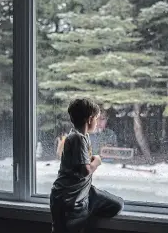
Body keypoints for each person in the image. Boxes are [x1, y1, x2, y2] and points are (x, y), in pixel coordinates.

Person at [50, 98, 124, 233]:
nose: (97, 122)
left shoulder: (83, 137)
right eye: (97, 118)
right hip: (68, 197)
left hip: (84, 191)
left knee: (116, 204)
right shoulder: (76, 138)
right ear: (90, 119)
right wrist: (97, 161)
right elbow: (85, 171)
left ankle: (86, 211)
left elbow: (79, 162)